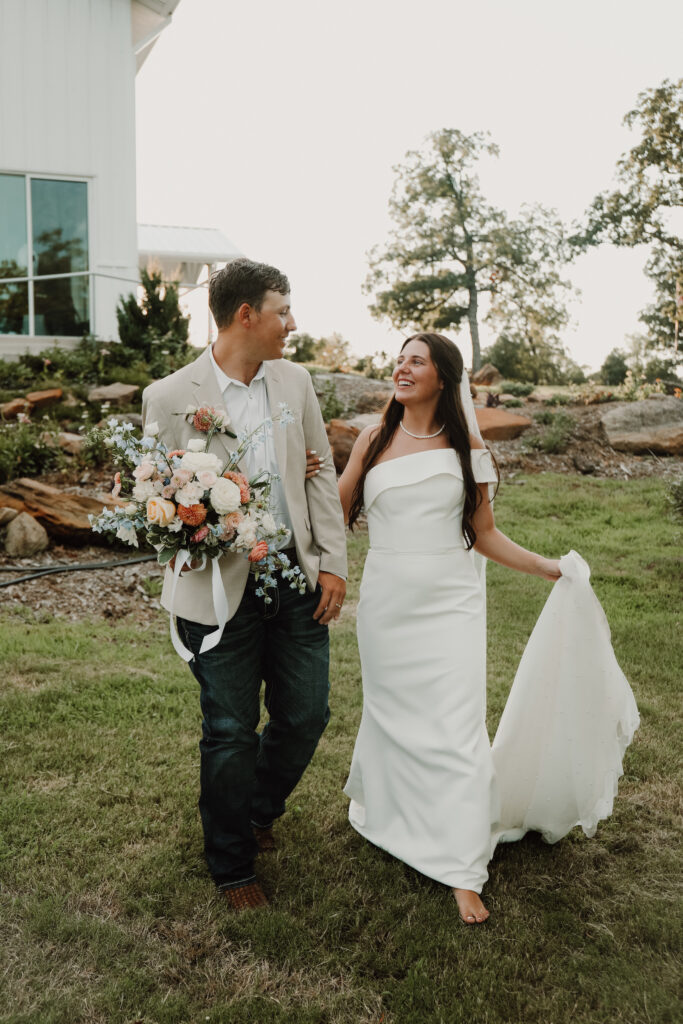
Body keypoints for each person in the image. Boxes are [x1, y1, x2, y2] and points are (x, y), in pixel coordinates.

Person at [333, 332, 561, 925]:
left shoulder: (470, 452)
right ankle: (389, 816)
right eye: (400, 358)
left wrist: (547, 568)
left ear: (443, 378)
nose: (402, 367)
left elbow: (484, 535)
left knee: (457, 725)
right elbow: (333, 515)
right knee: (393, 717)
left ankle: (462, 868)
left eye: (417, 360)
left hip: (451, 602)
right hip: (387, 606)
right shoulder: (372, 438)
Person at [141, 258, 347, 911]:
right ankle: (232, 864)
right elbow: (154, 500)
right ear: (246, 316)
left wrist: (333, 562)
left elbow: (317, 475)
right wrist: (192, 524)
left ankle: (257, 808)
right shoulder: (169, 396)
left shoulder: (296, 382)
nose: (292, 324)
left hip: (295, 580)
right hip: (217, 593)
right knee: (229, 729)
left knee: (306, 713)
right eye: (283, 311)